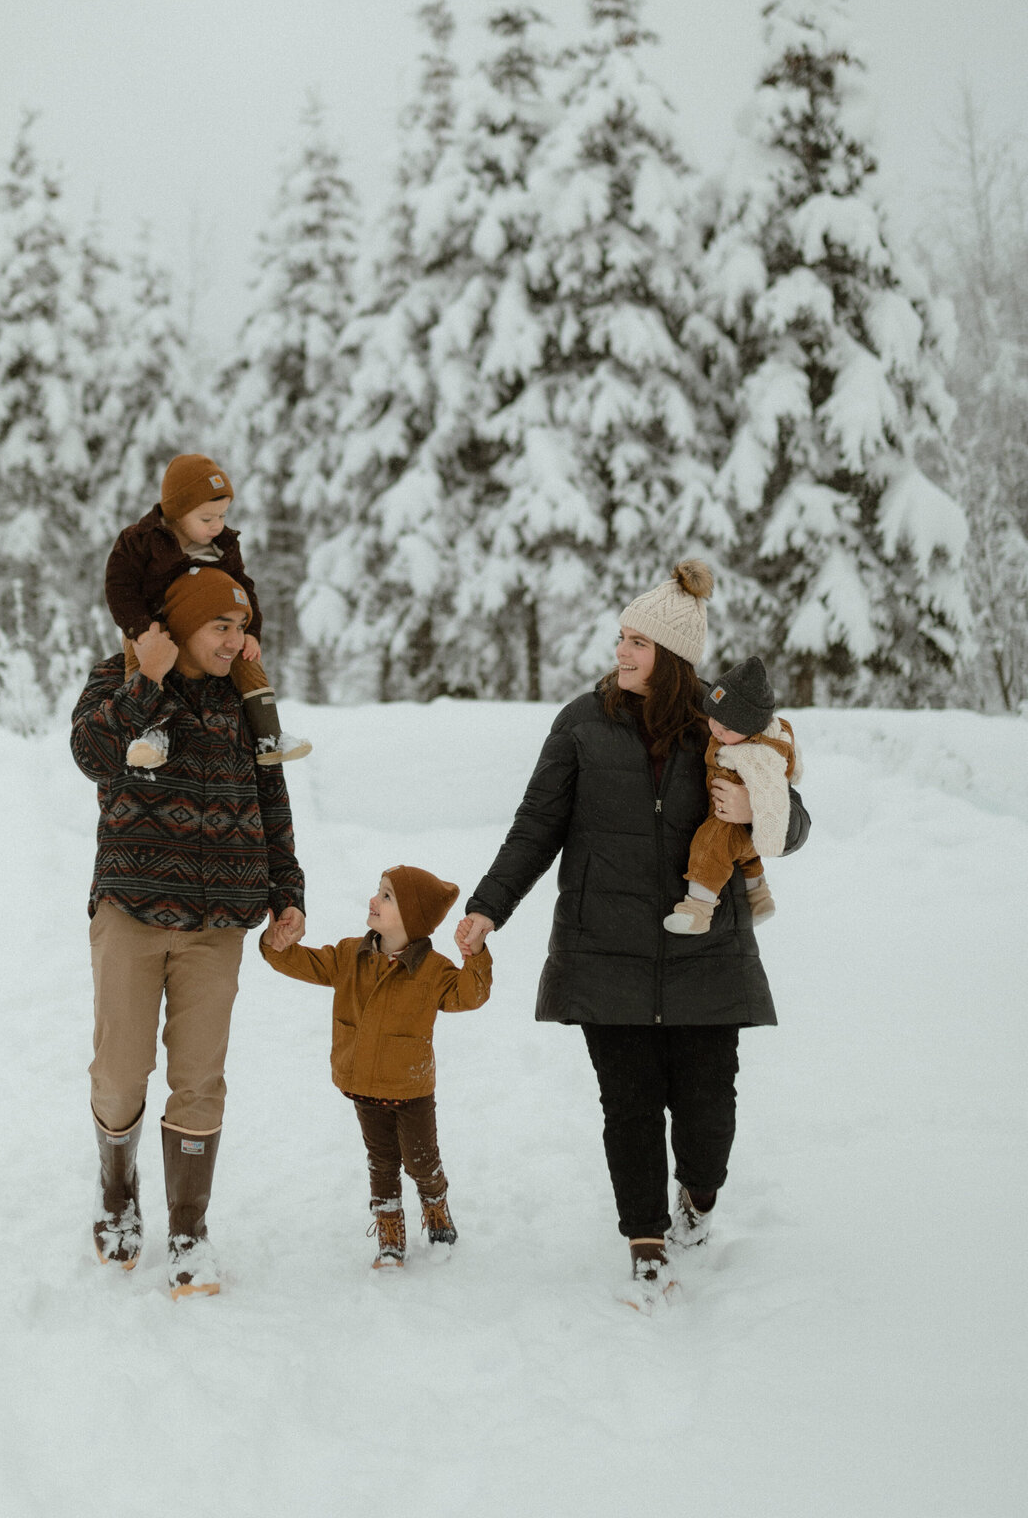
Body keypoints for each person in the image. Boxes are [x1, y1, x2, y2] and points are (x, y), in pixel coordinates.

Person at [454, 560, 810, 1312]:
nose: (621, 652)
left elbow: (796, 821)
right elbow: (537, 825)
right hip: (604, 947)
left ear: (675, 656)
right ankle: (645, 1243)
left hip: (705, 948)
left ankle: (700, 1195)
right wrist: (489, 905)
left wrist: (753, 807)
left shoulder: (724, 729)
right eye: (620, 637)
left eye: (639, 642)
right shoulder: (583, 722)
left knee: (709, 1106)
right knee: (631, 1104)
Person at [71, 564, 307, 1298]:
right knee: (120, 1072)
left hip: (219, 919)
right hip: (133, 910)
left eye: (242, 627)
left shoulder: (246, 700)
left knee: (199, 1079)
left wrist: (286, 889)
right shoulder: (121, 677)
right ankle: (117, 1188)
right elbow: (91, 755)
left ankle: (188, 1229)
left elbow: (270, 790)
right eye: (220, 627)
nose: (236, 642)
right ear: (181, 627)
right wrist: (147, 680)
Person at [261, 865, 492, 1268]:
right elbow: (302, 962)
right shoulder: (351, 954)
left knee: (420, 1160)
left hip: (411, 1089)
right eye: (378, 892)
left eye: (387, 896)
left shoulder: (433, 970)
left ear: (414, 917)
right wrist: (276, 944)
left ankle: (435, 1204)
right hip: (364, 1083)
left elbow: (470, 995)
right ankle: (389, 1234)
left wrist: (474, 956)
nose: (374, 900)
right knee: (381, 1162)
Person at [104, 451, 311, 770]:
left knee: (246, 656)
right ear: (176, 511)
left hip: (216, 630)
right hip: (153, 626)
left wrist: (251, 632)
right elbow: (120, 587)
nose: (217, 525)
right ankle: (150, 735)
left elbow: (245, 587)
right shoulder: (141, 540)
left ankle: (268, 736)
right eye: (207, 518)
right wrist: (140, 629)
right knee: (144, 663)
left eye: (223, 516)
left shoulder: (223, 545)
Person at [665, 654, 801, 935]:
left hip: (736, 822)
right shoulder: (751, 734)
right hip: (744, 832)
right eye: (714, 718)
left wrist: (758, 816)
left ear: (752, 728)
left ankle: (698, 910)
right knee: (744, 855)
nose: (715, 728)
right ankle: (760, 898)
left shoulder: (757, 755)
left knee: (709, 847)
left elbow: (772, 794)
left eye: (727, 728)